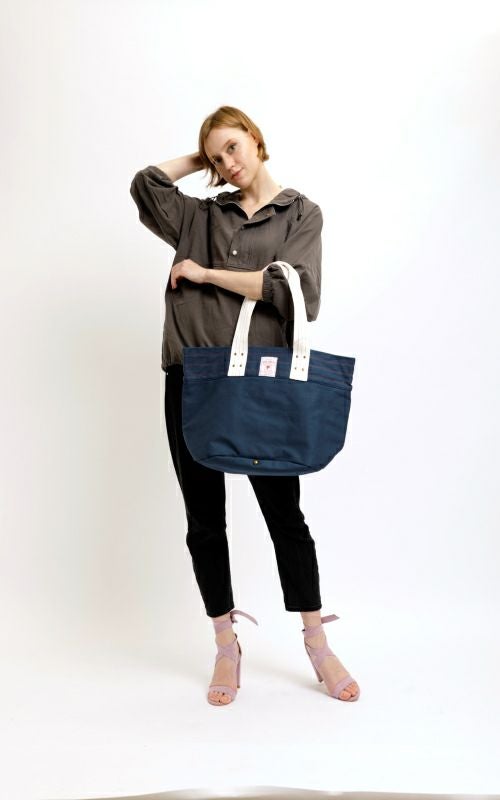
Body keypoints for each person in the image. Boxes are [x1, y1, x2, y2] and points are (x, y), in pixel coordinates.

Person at [129, 105, 360, 706]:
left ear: (257, 139)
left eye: (233, 147)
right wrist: (199, 157)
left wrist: (205, 274)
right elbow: (146, 185)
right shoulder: (199, 215)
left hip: (263, 382)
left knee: (285, 516)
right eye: (216, 157)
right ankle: (225, 645)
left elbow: (295, 291)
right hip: (193, 376)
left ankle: (317, 641)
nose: (228, 163)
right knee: (204, 519)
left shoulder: (300, 213)